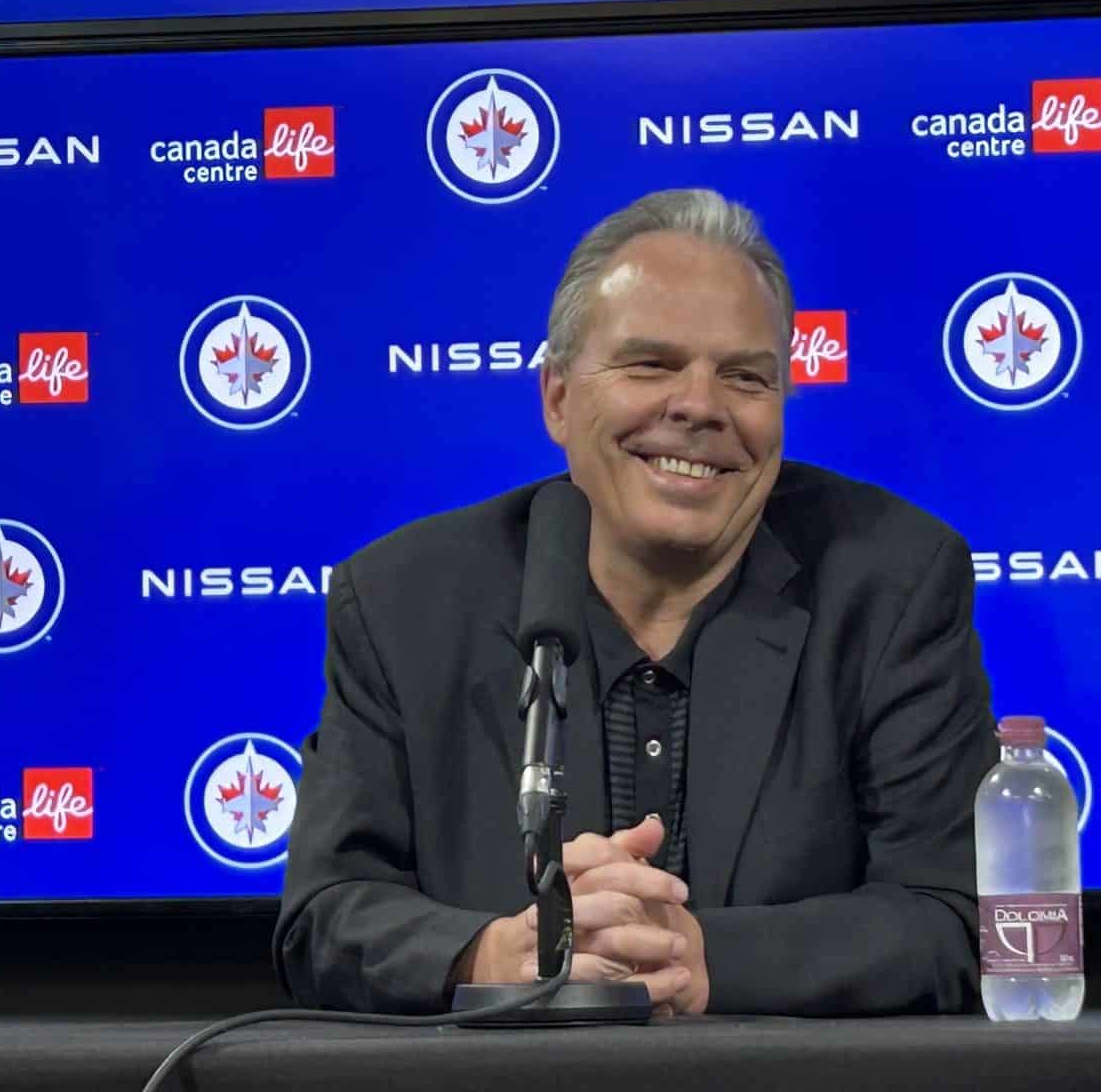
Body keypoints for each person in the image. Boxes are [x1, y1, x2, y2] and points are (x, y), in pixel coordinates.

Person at [273, 188, 998, 1017]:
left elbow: (957, 917)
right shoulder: (406, 599)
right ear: (556, 398)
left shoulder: (891, 585)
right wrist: (492, 954)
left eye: (745, 377)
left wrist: (701, 957)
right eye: (650, 365)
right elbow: (326, 917)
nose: (699, 406)